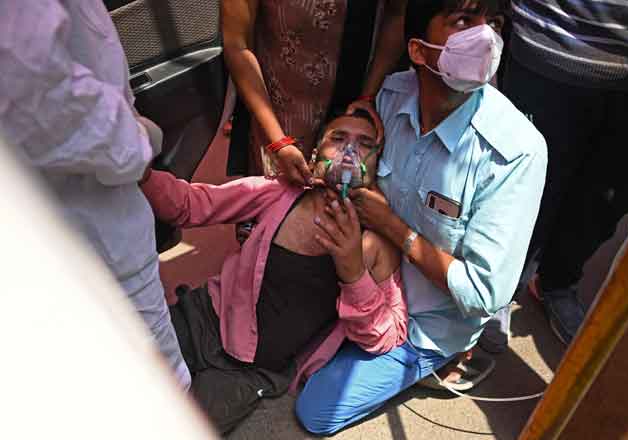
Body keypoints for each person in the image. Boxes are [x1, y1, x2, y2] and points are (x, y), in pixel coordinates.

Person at [295, 0, 547, 434]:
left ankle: (454, 354)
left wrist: (393, 225)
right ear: (418, 50)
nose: (485, 37)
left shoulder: (514, 153)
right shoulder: (392, 96)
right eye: (465, 20)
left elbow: (484, 294)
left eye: (495, 23)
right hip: (365, 277)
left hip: (427, 324)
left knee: (317, 408)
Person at [139, 111, 408, 431]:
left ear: (378, 165)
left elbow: (388, 336)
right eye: (338, 138)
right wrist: (141, 174)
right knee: (118, 368)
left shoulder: (374, 244)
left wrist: (353, 272)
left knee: (176, 428)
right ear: (314, 154)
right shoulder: (278, 192)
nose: (349, 152)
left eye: (365, 144)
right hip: (203, 317)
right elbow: (191, 204)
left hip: (253, 371)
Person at [0, 0, 190, 388]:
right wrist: (135, 141)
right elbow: (30, 86)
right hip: (89, 232)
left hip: (79, 223)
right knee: (153, 390)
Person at [505, 0, 628, 344]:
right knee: (517, 191)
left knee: (606, 200)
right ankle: (496, 291)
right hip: (555, 41)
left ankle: (557, 281)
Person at [222, 0, 408, 184]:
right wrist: (277, 140)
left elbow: (397, 14)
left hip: (356, 98)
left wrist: (368, 95)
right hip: (280, 111)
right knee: (281, 198)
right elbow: (237, 45)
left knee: (352, 196)